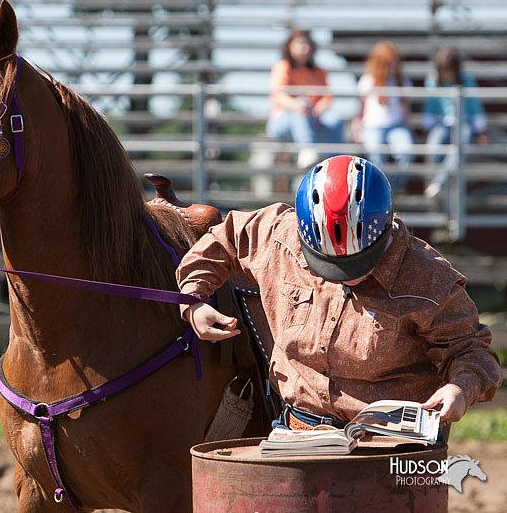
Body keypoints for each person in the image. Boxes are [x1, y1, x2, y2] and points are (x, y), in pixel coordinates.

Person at [176, 155, 502, 431]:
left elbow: (472, 351)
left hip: (393, 438)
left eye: (360, 262)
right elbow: (225, 239)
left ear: (386, 228)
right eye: (328, 263)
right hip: (298, 429)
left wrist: (460, 388)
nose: (348, 275)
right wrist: (195, 298)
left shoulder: (429, 278)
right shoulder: (278, 234)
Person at [266, 29, 344, 168]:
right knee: (302, 103)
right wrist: (297, 105)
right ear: (289, 46)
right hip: (283, 120)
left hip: (312, 119)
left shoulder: (319, 71)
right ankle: (307, 150)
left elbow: (327, 97)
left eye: (307, 44)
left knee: (335, 121)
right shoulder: (283, 67)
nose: (305, 48)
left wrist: (315, 112)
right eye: (300, 43)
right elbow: (278, 94)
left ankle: (335, 163)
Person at [422, 48, 489, 198]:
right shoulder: (433, 81)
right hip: (442, 125)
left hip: (463, 123)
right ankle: (442, 184)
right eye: (444, 70)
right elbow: (431, 106)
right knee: (433, 146)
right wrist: (427, 128)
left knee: (458, 148)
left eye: (449, 70)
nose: (447, 74)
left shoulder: (466, 80)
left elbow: (474, 106)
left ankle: (439, 183)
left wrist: (480, 131)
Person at [354, 42, 413, 184]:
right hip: (372, 127)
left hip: (397, 126)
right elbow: (361, 108)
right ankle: (381, 186)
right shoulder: (368, 80)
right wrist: (357, 128)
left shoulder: (401, 81)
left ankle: (396, 187)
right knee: (375, 151)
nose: (391, 67)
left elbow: (405, 108)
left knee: (407, 149)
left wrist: (408, 126)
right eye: (387, 63)